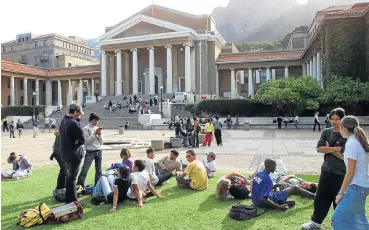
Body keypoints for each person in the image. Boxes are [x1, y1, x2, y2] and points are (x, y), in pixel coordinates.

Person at [302, 108, 346, 230]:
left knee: (339, 199)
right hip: (326, 170)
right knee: (321, 196)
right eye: (332, 119)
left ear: (342, 119)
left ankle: (338, 224)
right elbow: (319, 148)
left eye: (337, 119)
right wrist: (335, 149)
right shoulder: (327, 132)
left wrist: (329, 148)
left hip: (341, 173)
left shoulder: (347, 134)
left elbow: (344, 157)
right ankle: (315, 222)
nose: (334, 121)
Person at [331, 116, 369, 229]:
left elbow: (350, 172)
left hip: (356, 187)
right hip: (362, 186)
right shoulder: (358, 142)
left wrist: (340, 193)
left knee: (338, 219)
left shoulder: (352, 143)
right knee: (358, 218)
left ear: (342, 127)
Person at [59, 104, 85, 204]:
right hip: (74, 154)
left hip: (65, 153)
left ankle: (69, 198)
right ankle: (72, 200)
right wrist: (75, 143)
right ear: (75, 112)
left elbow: (61, 133)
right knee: (72, 178)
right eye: (79, 113)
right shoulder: (73, 123)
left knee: (69, 176)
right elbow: (82, 139)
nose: (80, 115)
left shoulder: (64, 120)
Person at [77, 113, 103, 188]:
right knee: (85, 169)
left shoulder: (97, 128)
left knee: (99, 171)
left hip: (99, 150)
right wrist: (95, 134)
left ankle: (97, 187)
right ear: (91, 120)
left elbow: (101, 142)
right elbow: (86, 142)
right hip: (90, 151)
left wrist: (99, 135)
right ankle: (80, 186)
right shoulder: (86, 128)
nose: (96, 122)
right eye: (95, 120)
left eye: (97, 120)